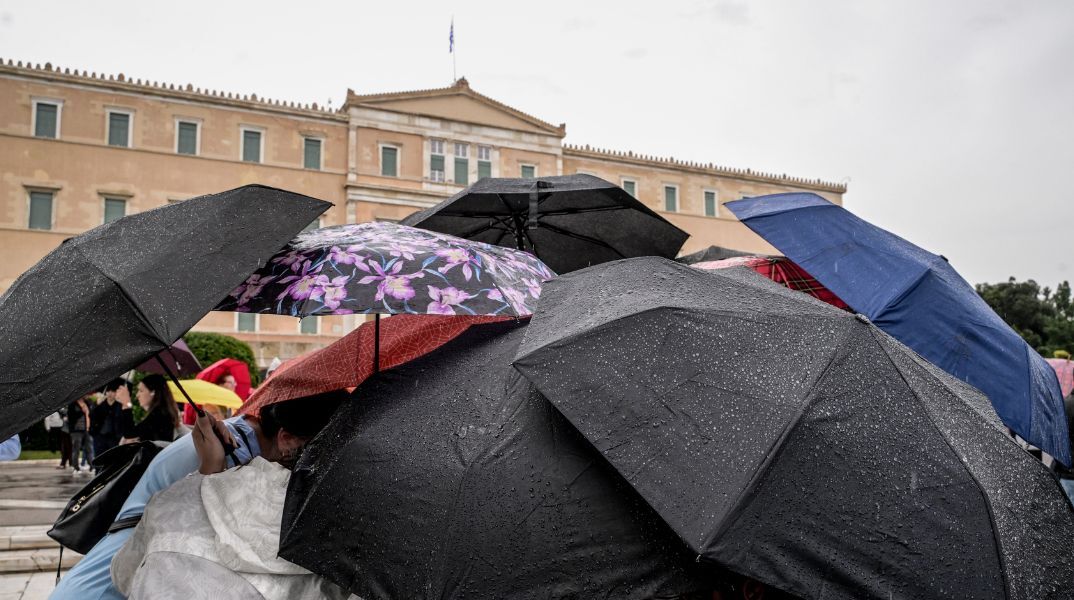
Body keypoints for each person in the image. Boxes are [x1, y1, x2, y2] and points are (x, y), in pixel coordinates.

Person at [50, 389, 348, 600]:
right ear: (285, 437)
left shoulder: (235, 444)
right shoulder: (226, 451)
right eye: (322, 447)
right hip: (107, 584)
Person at [120, 374, 179, 443]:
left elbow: (129, 433)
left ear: (153, 392)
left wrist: (127, 404)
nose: (137, 395)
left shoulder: (159, 415)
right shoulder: (161, 412)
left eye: (141, 391)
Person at [91, 379, 127, 460]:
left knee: (114, 460)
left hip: (114, 438)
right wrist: (97, 405)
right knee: (100, 459)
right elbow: (92, 416)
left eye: (112, 391)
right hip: (100, 436)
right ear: (106, 392)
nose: (110, 393)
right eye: (108, 391)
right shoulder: (100, 405)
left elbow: (123, 421)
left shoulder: (120, 406)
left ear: (116, 392)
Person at [68, 396, 93, 476]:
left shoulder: (87, 403)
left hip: (86, 429)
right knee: (76, 449)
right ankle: (76, 467)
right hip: (76, 431)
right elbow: (71, 417)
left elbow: (90, 414)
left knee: (89, 449)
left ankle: (92, 466)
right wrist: (81, 412)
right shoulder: (72, 404)